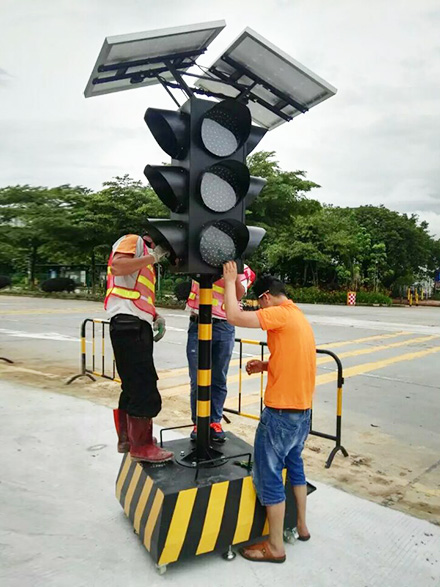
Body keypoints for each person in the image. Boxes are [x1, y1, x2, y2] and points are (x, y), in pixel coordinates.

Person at [222, 262, 316, 563]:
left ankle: (275, 547)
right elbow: (294, 359)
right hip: (302, 413)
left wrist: (228, 280)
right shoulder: (298, 317)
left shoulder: (278, 314)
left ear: (265, 298)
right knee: (295, 466)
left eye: (258, 302)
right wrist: (265, 365)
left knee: (270, 476)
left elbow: (234, 316)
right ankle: (301, 526)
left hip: (280, 414)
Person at [105, 233, 173, 463]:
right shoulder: (134, 241)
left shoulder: (144, 257)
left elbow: (135, 293)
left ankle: (127, 439)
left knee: (133, 386)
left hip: (132, 323)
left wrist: (154, 315)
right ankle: (141, 446)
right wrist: (152, 257)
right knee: (144, 386)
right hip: (129, 324)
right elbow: (118, 267)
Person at [186, 264, 255, 442]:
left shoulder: (240, 267)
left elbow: (239, 294)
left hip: (223, 325)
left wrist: (230, 277)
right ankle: (198, 422)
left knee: (218, 378)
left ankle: (215, 421)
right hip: (198, 322)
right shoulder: (199, 257)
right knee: (197, 378)